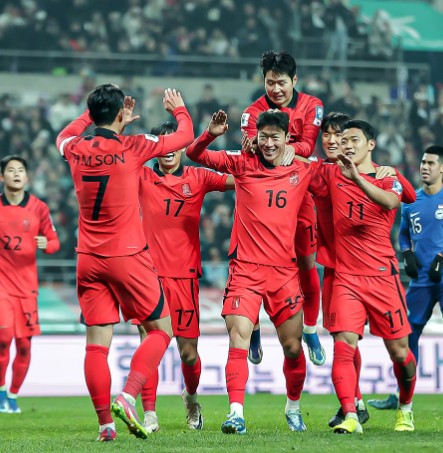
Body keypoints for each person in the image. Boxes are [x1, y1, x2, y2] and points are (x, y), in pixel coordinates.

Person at [55, 84, 194, 441]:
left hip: (87, 258)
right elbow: (184, 136)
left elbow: (64, 134)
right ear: (122, 115)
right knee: (162, 330)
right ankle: (129, 396)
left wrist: (96, 114)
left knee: (96, 345)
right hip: (128, 256)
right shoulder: (133, 146)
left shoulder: (75, 149)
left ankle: (105, 426)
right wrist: (179, 109)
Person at [187, 109, 316, 434]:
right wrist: (211, 133)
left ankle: (293, 406)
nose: (269, 143)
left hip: (284, 274)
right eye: (264, 136)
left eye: (276, 137)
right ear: (256, 137)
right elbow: (194, 154)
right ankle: (236, 414)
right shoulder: (242, 164)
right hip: (245, 271)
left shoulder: (303, 170)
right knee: (237, 338)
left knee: (292, 347)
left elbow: (336, 176)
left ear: (287, 139)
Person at [310, 120, 417, 434]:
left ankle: (406, 408)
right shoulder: (331, 173)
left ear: (371, 144)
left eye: (353, 139)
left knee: (399, 352)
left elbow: (392, 201)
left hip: (383, 276)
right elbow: (299, 164)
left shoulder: (389, 177)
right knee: (343, 345)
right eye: (342, 140)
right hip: (346, 278)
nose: (346, 145)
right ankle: (351, 414)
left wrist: (357, 177)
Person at [135, 120, 234, 433]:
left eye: (174, 144)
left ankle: (191, 398)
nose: (169, 150)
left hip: (185, 278)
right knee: (148, 344)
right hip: (148, 277)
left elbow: (241, 179)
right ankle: (150, 415)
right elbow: (120, 160)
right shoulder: (142, 176)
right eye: (162, 144)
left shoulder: (198, 176)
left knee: (188, 353)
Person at [241, 49, 325, 367]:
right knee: (256, 266)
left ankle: (311, 329)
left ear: (295, 80)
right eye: (269, 82)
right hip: (260, 200)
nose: (275, 89)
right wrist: (287, 149)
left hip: (298, 195)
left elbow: (306, 145)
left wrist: (287, 148)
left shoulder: (312, 106)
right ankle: (252, 328)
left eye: (281, 83)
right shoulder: (251, 113)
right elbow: (256, 150)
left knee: (307, 265)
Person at [368, 145, 443, 410]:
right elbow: (402, 235)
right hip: (421, 279)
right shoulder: (412, 202)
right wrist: (407, 252)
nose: (425, 166)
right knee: (405, 336)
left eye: (431, 163)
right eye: (423, 162)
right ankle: (400, 395)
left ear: (442, 168)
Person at [0, 155, 60, 414]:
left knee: (24, 344)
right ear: (2, 177)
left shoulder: (39, 208)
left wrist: (48, 245)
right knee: (3, 337)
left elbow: (54, 241)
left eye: (20, 170)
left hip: (27, 288)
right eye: (10, 170)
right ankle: (1, 391)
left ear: (26, 177)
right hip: (1, 284)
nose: (16, 174)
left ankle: (12, 396)